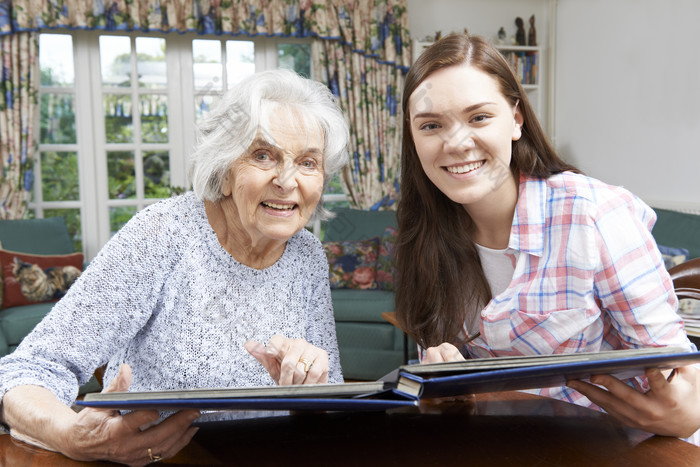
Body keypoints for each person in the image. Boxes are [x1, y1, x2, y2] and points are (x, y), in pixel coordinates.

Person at [0, 68, 350, 465]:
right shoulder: (163, 233)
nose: (287, 181)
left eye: (307, 162)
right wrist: (69, 435)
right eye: (263, 155)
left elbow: (330, 398)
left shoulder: (307, 255)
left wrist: (311, 382)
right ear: (225, 171)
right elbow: (26, 370)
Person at [394, 33, 700, 442]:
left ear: (516, 120)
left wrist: (685, 414)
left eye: (479, 117)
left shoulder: (592, 213)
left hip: (615, 447)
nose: (456, 143)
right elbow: (450, 385)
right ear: (414, 140)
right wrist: (440, 376)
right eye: (431, 125)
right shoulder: (423, 238)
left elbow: (681, 380)